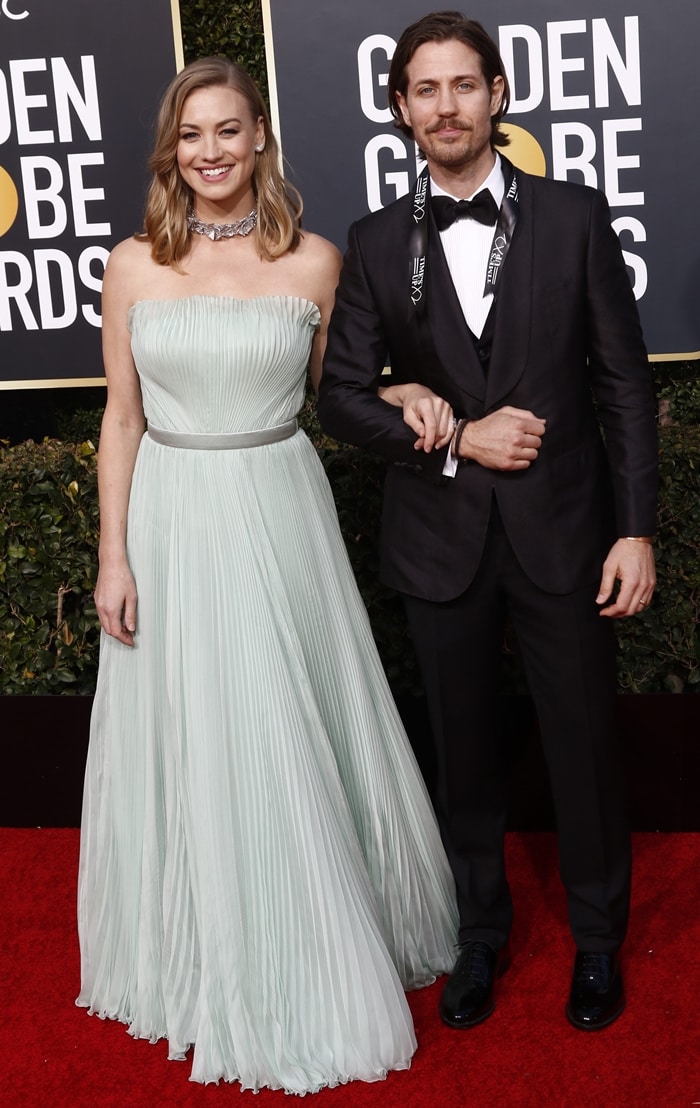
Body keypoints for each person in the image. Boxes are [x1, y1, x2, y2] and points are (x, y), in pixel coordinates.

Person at [76, 56, 458, 1094]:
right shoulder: (132, 265)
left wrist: (412, 385)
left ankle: (318, 926)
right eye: (191, 134)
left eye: (228, 131)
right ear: (172, 149)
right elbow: (121, 419)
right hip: (172, 512)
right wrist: (113, 554)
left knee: (288, 713)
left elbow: (351, 392)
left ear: (260, 142)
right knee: (202, 721)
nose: (209, 152)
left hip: (281, 501)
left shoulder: (317, 263)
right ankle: (208, 935)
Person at [318, 11, 657, 1033]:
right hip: (439, 541)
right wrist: (457, 433)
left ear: (498, 96)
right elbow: (341, 399)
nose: (445, 107)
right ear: (400, 112)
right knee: (460, 753)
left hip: (565, 531)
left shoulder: (574, 216)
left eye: (463, 85)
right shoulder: (376, 242)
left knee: (583, 745)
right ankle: (479, 939)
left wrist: (635, 528)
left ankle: (597, 943)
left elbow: (625, 390)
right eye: (424, 90)